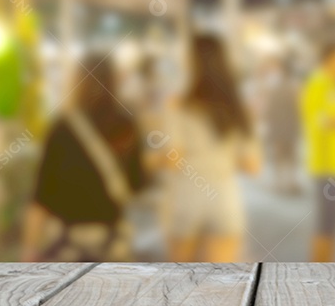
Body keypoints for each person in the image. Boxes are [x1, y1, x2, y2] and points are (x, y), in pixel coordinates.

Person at [23, 54, 145, 261]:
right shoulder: (127, 126)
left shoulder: (61, 130)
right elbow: (137, 184)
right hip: (113, 248)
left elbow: (40, 199)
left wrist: (29, 250)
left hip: (66, 249)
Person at [160, 36, 259, 262]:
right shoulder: (238, 108)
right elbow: (252, 166)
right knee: (220, 284)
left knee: (180, 284)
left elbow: (174, 160)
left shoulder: (178, 105)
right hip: (225, 197)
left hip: (187, 195)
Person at [300, 41, 335, 262]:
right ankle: (318, 273)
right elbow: (317, 120)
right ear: (331, 58)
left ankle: (326, 266)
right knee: (326, 224)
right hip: (326, 166)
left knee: (333, 224)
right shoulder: (318, 83)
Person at [264, 56, 302, 195]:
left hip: (278, 123)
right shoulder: (295, 86)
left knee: (279, 154)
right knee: (291, 154)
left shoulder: (274, 85)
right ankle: (291, 181)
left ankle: (279, 182)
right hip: (291, 123)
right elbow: (300, 106)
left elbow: (269, 107)